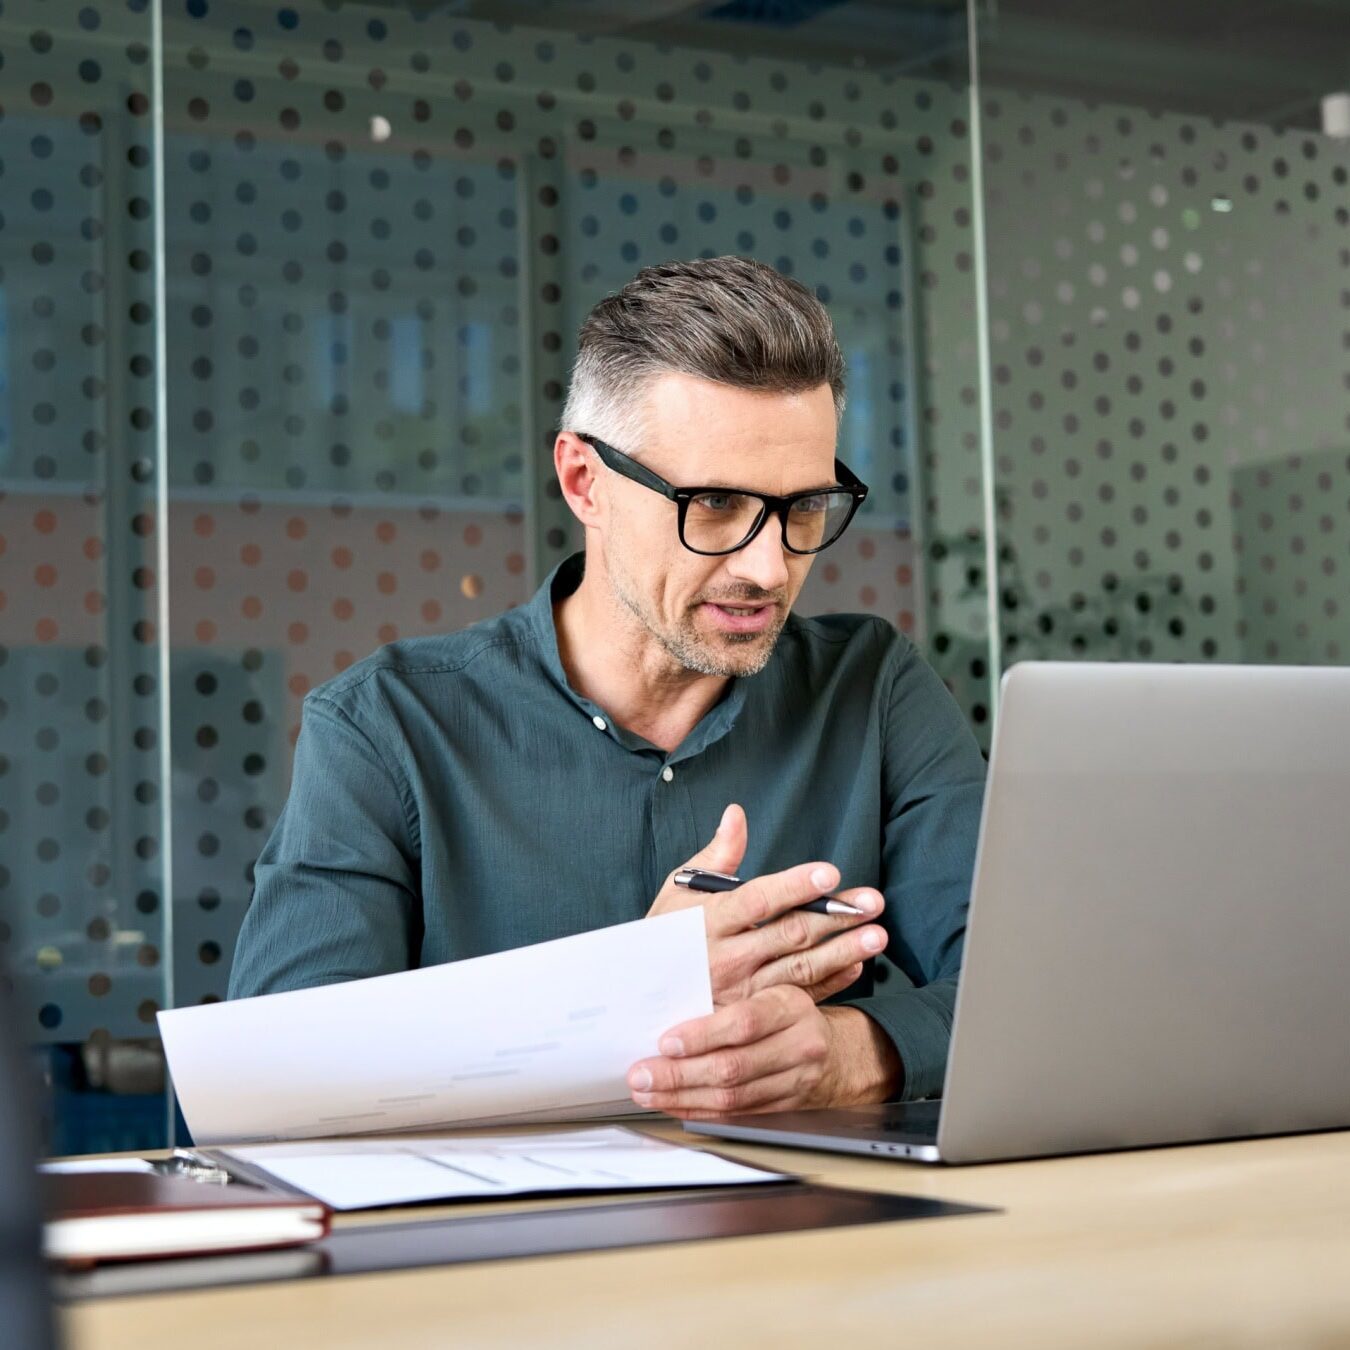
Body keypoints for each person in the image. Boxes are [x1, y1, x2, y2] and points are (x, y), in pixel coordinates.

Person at [229, 256, 986, 1119]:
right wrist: (627, 993)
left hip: (824, 1241)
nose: (769, 566)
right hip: (515, 1253)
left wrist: (860, 1052)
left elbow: (1034, 990)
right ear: (585, 481)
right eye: (713, 506)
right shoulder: (385, 729)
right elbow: (273, 1083)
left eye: (804, 508)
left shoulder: (874, 689)